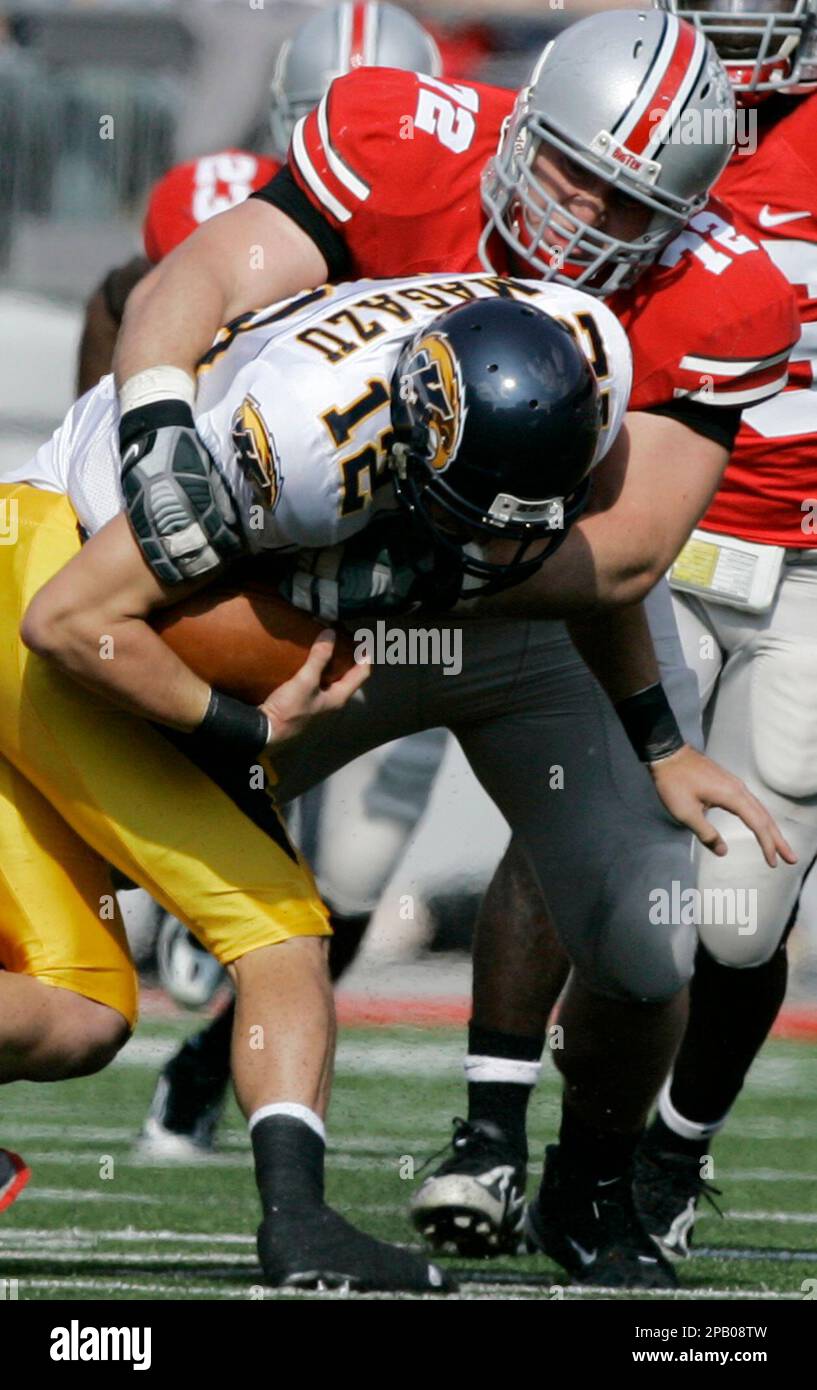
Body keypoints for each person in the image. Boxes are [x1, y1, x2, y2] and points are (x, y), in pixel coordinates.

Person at [108, 8, 800, 1284]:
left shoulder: (725, 288)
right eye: (568, 167)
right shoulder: (401, 138)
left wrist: (652, 734)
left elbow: (631, 552)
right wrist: (154, 424)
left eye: (626, 199)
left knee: (650, 932)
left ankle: (584, 1196)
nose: (583, 216)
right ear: (520, 122)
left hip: (532, 628)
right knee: (82, 857)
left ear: (685, 210)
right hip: (323, 622)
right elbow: (189, 284)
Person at [630, 0, 817, 1259]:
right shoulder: (629, 103)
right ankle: (524, 1138)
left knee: (742, 915)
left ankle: (673, 1145)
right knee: (602, 860)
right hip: (648, 542)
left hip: (801, 573)